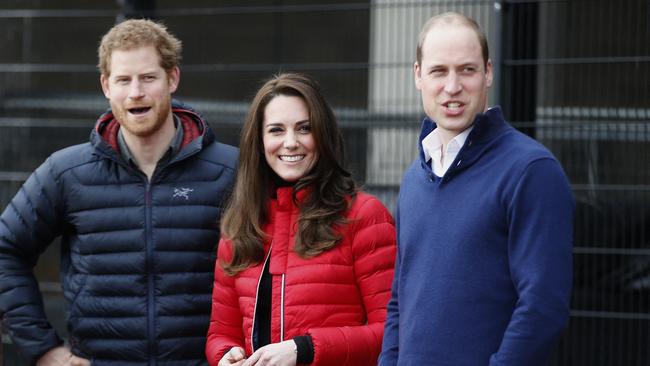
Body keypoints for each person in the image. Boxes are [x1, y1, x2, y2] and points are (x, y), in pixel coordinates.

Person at [0, 19, 237, 365]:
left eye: (148, 77)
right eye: (123, 80)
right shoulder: (66, 171)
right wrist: (43, 349)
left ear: (172, 79)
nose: (135, 92)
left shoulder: (230, 169)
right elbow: (6, 249)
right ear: (105, 86)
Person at [378, 12, 575, 366]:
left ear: (488, 72)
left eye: (466, 70)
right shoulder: (414, 179)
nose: (452, 86)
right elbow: (400, 301)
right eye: (439, 71)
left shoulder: (531, 171)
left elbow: (543, 305)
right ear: (418, 75)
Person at [205, 73, 396, 366]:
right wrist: (224, 354)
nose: (290, 142)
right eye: (276, 130)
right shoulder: (239, 226)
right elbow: (221, 331)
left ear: (323, 134)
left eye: (304, 128)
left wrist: (303, 349)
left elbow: (391, 334)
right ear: (259, 140)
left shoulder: (364, 217)